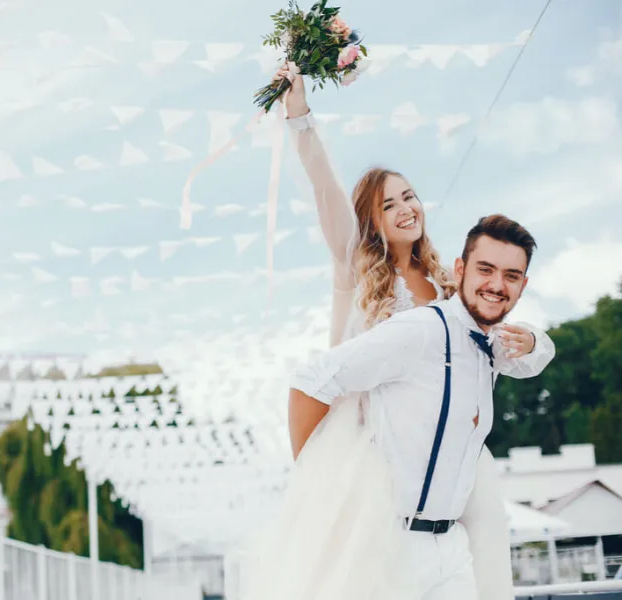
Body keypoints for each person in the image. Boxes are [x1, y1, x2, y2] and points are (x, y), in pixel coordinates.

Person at [234, 64, 556, 600]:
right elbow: (324, 186)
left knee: (482, 560)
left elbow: (499, 348)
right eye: (388, 204)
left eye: (409, 196)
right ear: (370, 219)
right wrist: (299, 114)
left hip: (450, 458)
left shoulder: (448, 283)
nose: (405, 209)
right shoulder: (355, 265)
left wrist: (538, 342)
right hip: (375, 452)